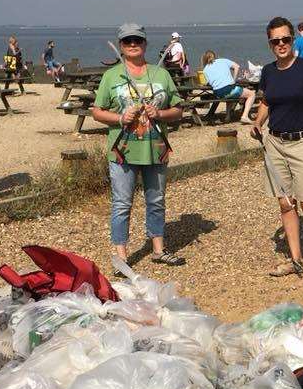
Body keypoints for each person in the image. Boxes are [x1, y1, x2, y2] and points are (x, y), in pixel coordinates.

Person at [91, 23, 186, 267]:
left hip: (155, 149)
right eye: (127, 41)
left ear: (145, 43)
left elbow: (178, 110)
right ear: (121, 46)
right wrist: (121, 118)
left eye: (137, 40)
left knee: (156, 200)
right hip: (123, 151)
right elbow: (97, 112)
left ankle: (158, 249)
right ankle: (121, 256)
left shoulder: (161, 74)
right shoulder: (111, 76)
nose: (132, 44)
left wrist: (161, 114)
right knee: (122, 204)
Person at [251, 16, 303, 285]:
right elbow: (267, 101)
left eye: (285, 39)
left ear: (293, 40)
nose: (281, 44)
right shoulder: (268, 71)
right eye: (275, 41)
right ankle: (296, 260)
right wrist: (257, 121)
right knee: (286, 204)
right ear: (270, 44)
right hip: (275, 143)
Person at [200, 50, 257, 123]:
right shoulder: (222, 60)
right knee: (251, 94)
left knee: (230, 95)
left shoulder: (205, 70)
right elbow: (237, 66)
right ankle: (244, 116)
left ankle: (227, 117)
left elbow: (209, 82)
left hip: (218, 93)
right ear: (215, 56)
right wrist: (234, 79)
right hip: (229, 89)